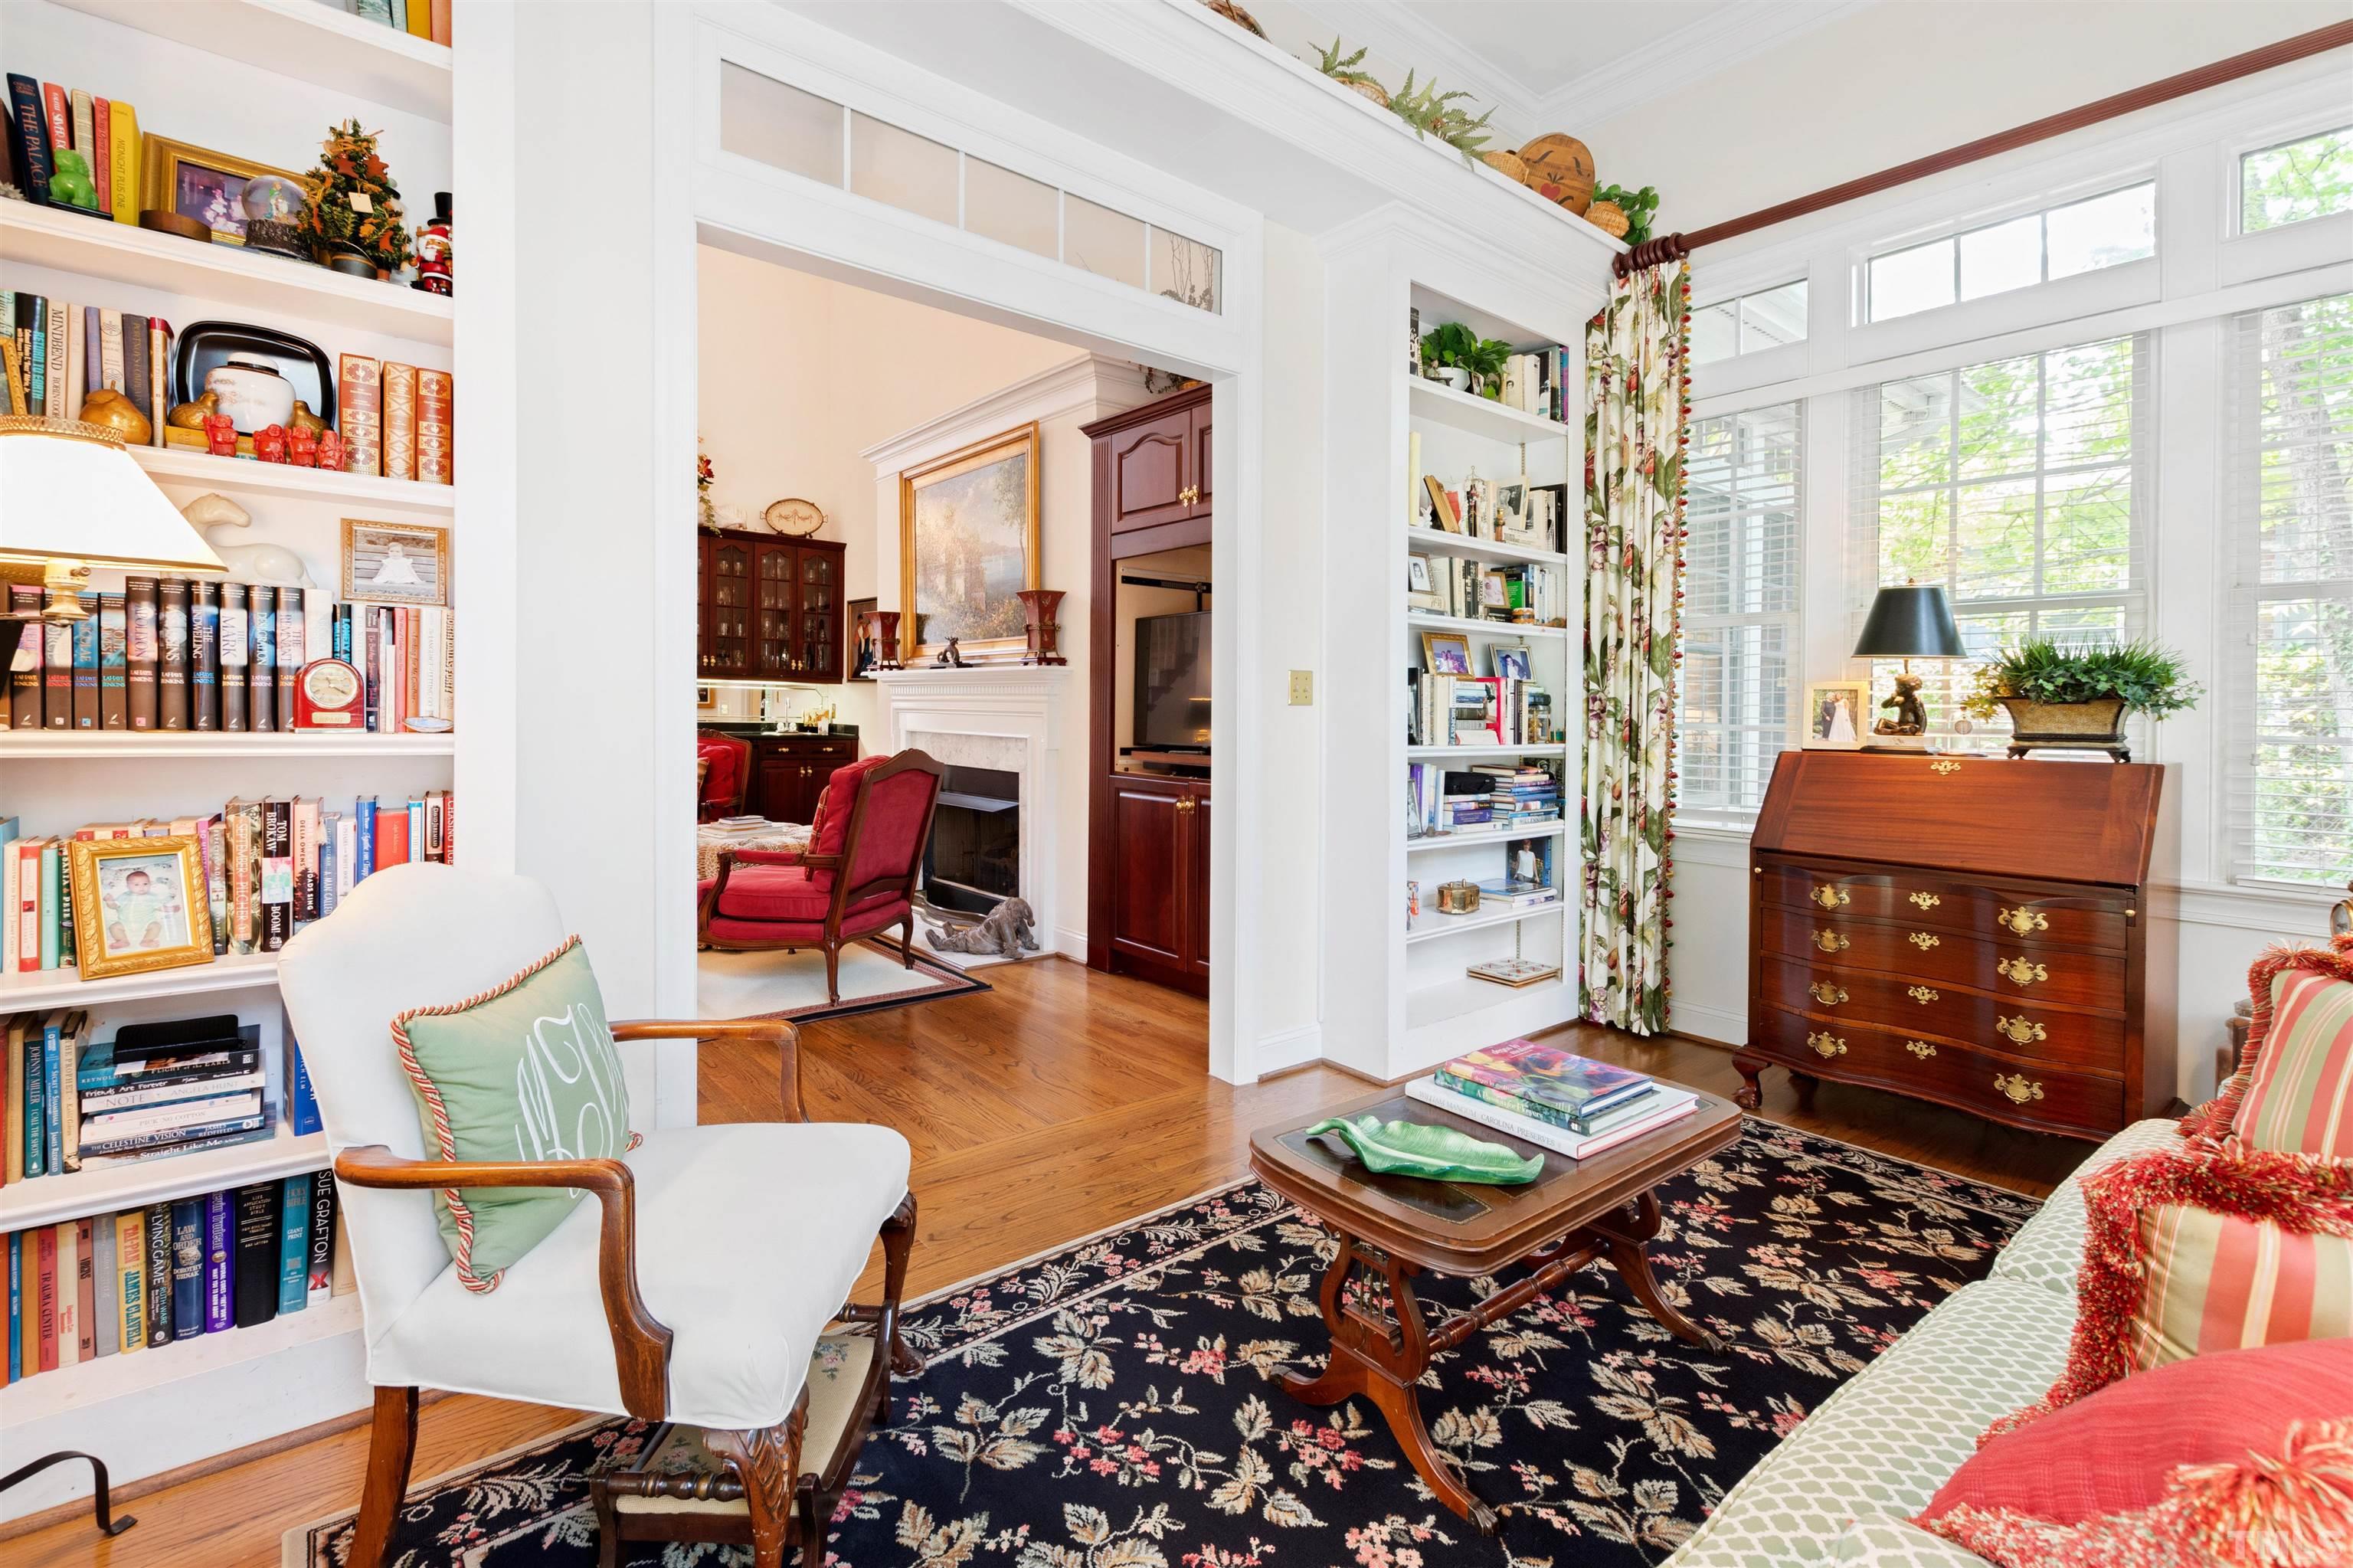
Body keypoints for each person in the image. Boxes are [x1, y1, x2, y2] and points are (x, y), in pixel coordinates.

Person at [106, 866, 172, 950]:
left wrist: (171, 909)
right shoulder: (124, 896)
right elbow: (114, 906)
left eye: (145, 884)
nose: (142, 887)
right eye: (136, 884)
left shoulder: (152, 897)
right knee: (114, 927)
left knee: (156, 926)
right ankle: (122, 940)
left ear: (150, 884)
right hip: (125, 923)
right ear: (128, 886)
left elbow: (160, 907)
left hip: (146, 922)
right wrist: (109, 901)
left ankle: (147, 941)